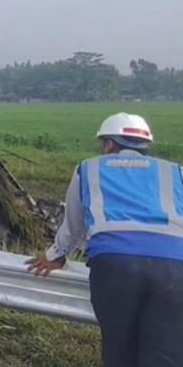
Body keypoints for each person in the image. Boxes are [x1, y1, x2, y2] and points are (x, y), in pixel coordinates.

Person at [26, 113, 183, 367]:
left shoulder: (88, 168)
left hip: (115, 266)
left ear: (109, 144)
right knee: (166, 353)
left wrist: (55, 256)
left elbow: (73, 226)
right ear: (145, 145)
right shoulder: (175, 171)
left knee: (120, 349)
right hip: (174, 267)